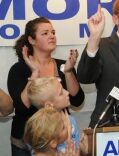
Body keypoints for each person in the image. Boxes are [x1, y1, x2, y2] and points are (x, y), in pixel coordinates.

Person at [7, 17, 85, 156]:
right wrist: (34, 72)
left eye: (53, 32)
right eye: (45, 33)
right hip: (25, 143)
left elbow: (77, 101)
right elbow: (22, 107)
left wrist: (67, 72)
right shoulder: (19, 69)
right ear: (32, 40)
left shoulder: (64, 65)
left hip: (61, 141)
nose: (52, 36)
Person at [27, 77, 88, 155]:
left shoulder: (71, 120)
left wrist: (84, 149)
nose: (67, 92)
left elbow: (77, 150)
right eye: (61, 93)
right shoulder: (42, 131)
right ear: (49, 105)